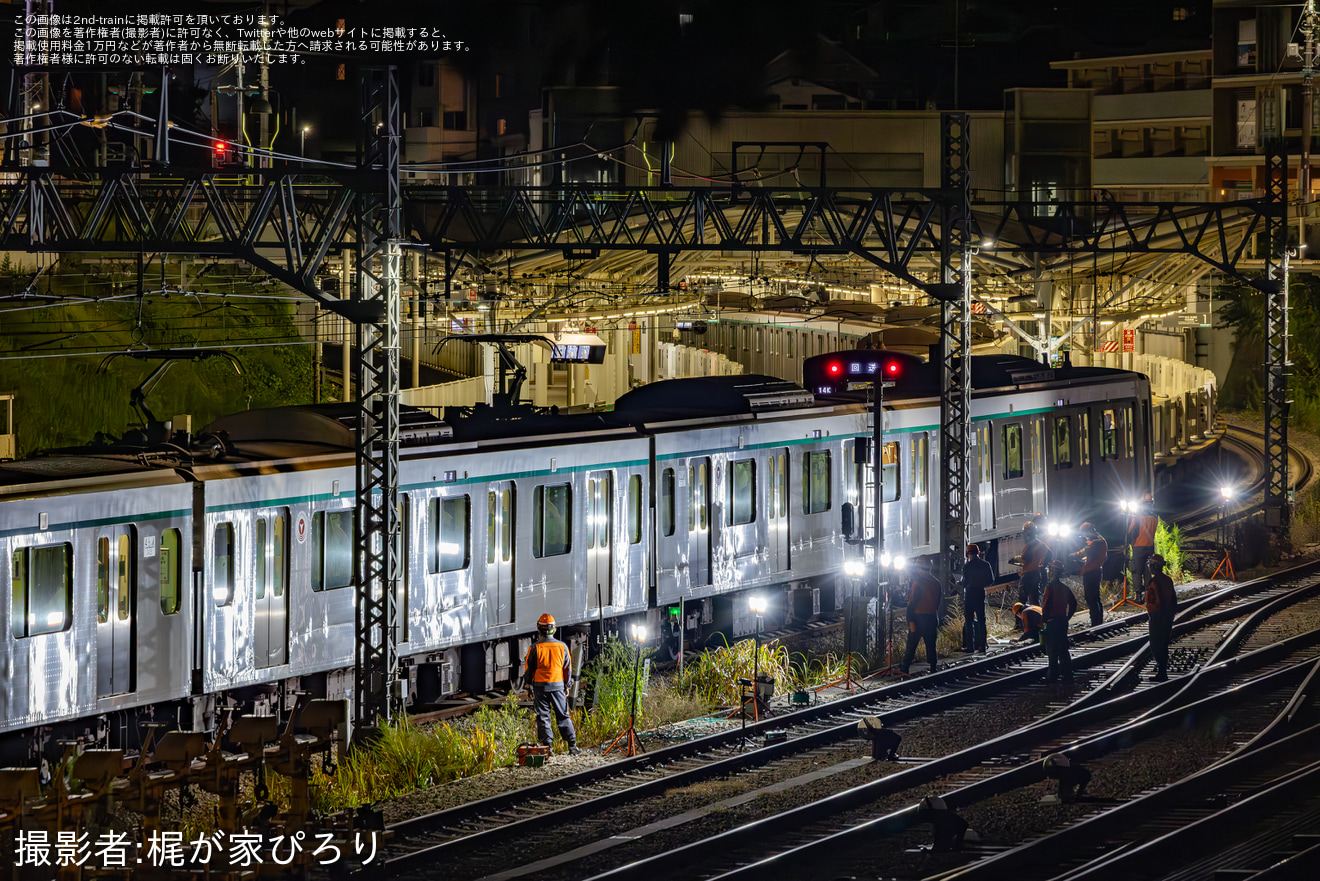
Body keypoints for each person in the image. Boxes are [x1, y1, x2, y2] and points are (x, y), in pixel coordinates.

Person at [523, 613, 581, 755]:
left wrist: (527, 686)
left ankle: (548, 749)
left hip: (540, 687)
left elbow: (529, 669)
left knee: (543, 717)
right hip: (558, 686)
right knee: (563, 715)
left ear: (538, 630)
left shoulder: (534, 648)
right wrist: (567, 686)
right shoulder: (562, 647)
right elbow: (567, 669)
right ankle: (572, 746)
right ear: (554, 629)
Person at [901, 556, 942, 675]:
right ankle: (933, 667)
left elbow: (912, 603)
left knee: (911, 646)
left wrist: (910, 620)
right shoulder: (937, 583)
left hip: (918, 618)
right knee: (931, 645)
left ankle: (905, 668)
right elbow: (937, 603)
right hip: (932, 617)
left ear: (919, 568)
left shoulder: (918, 583)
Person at [1040, 560, 1078, 682]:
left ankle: (1052, 676)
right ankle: (1068, 675)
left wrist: (1043, 621)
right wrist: (1068, 617)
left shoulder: (1049, 588)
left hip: (1052, 623)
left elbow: (1045, 606)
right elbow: (1073, 603)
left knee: (1052, 651)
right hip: (1062, 622)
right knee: (1063, 649)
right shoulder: (1064, 587)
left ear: (1051, 572)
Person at [1145, 554, 1178, 682]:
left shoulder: (1154, 582)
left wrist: (1152, 613)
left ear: (1153, 566)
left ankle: (1161, 672)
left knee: (1155, 644)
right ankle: (1162, 671)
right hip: (1168, 616)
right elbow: (1174, 599)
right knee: (1164, 644)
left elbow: (1152, 601)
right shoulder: (1168, 580)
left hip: (1157, 616)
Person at [1074, 523, 1108, 626]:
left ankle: (1095, 622)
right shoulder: (1102, 541)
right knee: (1096, 598)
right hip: (1097, 571)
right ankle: (1099, 620)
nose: (1085, 537)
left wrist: (1073, 555)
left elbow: (1081, 553)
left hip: (1090, 573)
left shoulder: (1095, 543)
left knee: (1091, 598)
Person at [962, 543, 993, 653]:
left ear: (968, 553)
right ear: (978, 552)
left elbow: (964, 583)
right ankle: (982, 646)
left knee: (969, 621)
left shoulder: (967, 567)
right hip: (980, 593)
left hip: (970, 594)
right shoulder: (985, 564)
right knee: (981, 620)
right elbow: (991, 580)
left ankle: (970, 646)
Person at [1127, 492, 1158, 595]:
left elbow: (1130, 532)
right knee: (1148, 571)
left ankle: (1138, 595)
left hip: (1138, 546)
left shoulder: (1137, 517)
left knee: (1136, 571)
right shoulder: (1154, 517)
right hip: (1150, 547)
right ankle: (1148, 593)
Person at [1015, 522, 1050, 609]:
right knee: (1035, 599)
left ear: (1026, 532)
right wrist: (1043, 565)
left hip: (1027, 575)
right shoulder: (1040, 543)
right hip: (1036, 573)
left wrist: (1016, 560)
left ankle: (1020, 621)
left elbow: (1026, 559)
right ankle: (1038, 618)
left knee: (1021, 600)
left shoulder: (1029, 545)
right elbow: (1050, 554)